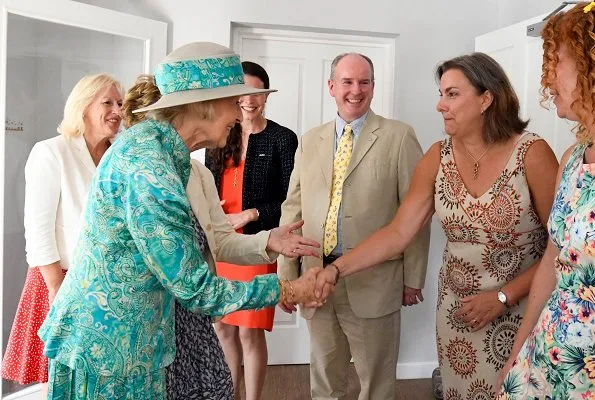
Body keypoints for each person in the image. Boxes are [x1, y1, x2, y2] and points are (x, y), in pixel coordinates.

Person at [38, 42, 334, 400]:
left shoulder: (161, 153)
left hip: (132, 343)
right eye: (232, 102)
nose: (239, 114)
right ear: (203, 105)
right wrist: (289, 290)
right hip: (111, 353)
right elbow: (196, 288)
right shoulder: (149, 166)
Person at [313, 52, 559, 399]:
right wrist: (335, 270)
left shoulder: (532, 154)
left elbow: (561, 248)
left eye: (452, 94)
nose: (441, 105)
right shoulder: (437, 156)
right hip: (458, 315)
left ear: (486, 98)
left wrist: (504, 297)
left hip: (521, 311)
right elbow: (398, 233)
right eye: (441, 94)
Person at [277, 52, 430, 400]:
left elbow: (418, 212)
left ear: (373, 88)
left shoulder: (399, 137)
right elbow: (293, 210)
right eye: (347, 82)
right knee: (325, 381)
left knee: (376, 384)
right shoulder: (310, 140)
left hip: (375, 280)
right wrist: (287, 276)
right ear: (331, 87)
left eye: (364, 82)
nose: (356, 90)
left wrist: (413, 278)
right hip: (315, 279)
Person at [0, 74, 123, 399]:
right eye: (107, 102)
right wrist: (58, 289)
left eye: (120, 103)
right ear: (83, 107)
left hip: (107, 286)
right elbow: (38, 231)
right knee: (55, 384)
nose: (117, 111)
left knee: (98, 383)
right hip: (60, 282)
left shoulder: (118, 156)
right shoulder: (51, 152)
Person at [497, 3, 595, 399]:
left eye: (557, 61)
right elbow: (554, 259)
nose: (547, 77)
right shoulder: (573, 159)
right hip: (547, 355)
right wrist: (520, 348)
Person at [204, 61, 298, 400]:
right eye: (243, 91)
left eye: (257, 92)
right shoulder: (218, 136)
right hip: (221, 246)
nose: (249, 99)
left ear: (266, 96)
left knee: (249, 332)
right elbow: (206, 193)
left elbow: (290, 200)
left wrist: (251, 214)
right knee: (224, 328)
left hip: (259, 246)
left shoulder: (282, 139)